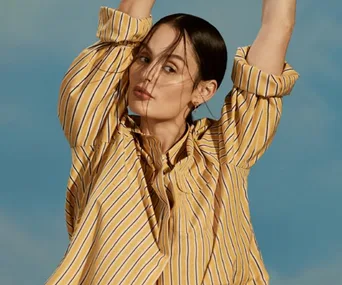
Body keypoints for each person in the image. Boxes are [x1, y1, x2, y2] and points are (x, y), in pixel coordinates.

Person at [46, 0, 299, 284]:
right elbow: (120, 34)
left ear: (203, 91)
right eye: (144, 58)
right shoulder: (100, 140)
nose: (149, 75)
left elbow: (277, 26)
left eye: (170, 68)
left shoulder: (226, 151)